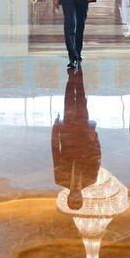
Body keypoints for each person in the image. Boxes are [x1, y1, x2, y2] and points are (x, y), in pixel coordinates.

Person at [51, 69, 101, 210]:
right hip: (84, 133)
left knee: (68, 100)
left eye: (72, 200)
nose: (75, 198)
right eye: (78, 201)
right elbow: (96, 157)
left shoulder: (60, 179)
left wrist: (56, 129)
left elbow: (55, 152)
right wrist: (94, 137)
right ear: (81, 198)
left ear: (68, 198)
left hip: (68, 133)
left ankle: (71, 75)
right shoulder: (91, 179)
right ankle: (78, 73)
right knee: (81, 99)